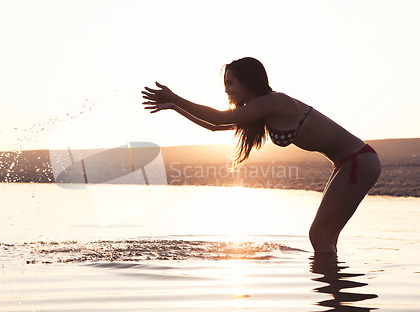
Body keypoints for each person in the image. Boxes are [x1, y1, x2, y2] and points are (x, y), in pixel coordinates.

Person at [141, 57, 381, 254]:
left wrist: (175, 97)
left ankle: (335, 298)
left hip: (358, 161)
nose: (227, 89)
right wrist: (175, 108)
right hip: (347, 163)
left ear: (248, 82)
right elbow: (215, 127)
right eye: (225, 84)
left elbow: (219, 118)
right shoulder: (259, 111)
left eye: (231, 83)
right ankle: (335, 297)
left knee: (319, 236)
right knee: (325, 237)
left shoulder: (273, 101)